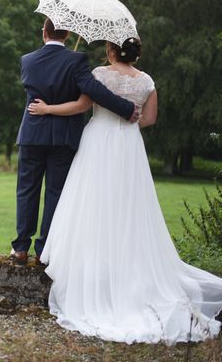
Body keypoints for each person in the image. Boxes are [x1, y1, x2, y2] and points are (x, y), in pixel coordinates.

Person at [29, 39, 222, 343]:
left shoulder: (99, 75)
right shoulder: (147, 81)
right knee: (129, 207)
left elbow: (81, 106)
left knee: (93, 203)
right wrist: (125, 126)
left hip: (99, 142)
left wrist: (48, 108)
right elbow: (150, 119)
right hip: (129, 146)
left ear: (110, 51)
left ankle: (90, 267)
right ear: (137, 54)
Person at [11, 18, 139, 266]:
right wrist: (126, 108)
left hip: (32, 134)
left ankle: (20, 248)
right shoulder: (76, 61)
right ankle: (44, 250)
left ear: (43, 33)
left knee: (27, 190)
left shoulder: (26, 61)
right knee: (55, 193)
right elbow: (94, 90)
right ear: (68, 33)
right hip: (64, 137)